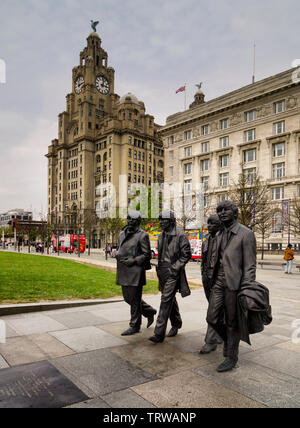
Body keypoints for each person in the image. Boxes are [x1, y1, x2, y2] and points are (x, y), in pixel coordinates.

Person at [206, 201, 256, 372]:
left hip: (235, 283)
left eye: (226, 210)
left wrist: (247, 288)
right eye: (219, 210)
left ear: (235, 213)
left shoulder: (246, 234)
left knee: (232, 321)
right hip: (219, 282)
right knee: (211, 318)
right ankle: (228, 340)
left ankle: (231, 356)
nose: (222, 213)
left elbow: (250, 265)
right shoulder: (219, 234)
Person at [149, 210, 191, 343]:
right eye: (160, 220)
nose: (161, 222)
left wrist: (175, 267)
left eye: (164, 220)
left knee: (165, 300)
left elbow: (186, 255)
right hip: (162, 272)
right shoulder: (161, 235)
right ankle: (176, 323)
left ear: (171, 221)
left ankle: (159, 333)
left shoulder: (181, 235)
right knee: (170, 300)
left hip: (173, 272)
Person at [116, 210, 157, 336]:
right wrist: (117, 253)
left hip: (135, 271)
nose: (129, 222)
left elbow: (146, 254)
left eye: (132, 220)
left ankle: (135, 325)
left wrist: (133, 260)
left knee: (134, 300)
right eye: (128, 219)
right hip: (123, 270)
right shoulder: (122, 233)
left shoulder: (142, 235)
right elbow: (120, 248)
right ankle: (149, 311)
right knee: (127, 298)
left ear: (138, 222)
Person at [200, 214, 223, 354]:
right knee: (215, 309)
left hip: (219, 280)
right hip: (207, 279)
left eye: (212, 223)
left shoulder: (225, 239)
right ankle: (221, 333)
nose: (209, 226)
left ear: (219, 225)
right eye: (208, 223)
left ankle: (211, 341)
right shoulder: (207, 239)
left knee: (212, 311)